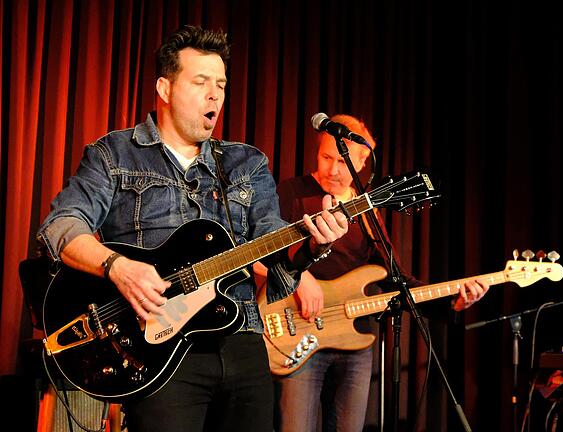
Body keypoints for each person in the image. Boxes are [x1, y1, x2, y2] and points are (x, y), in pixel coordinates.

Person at [35, 25, 349, 432]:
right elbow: (60, 224)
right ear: (164, 88)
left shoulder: (246, 163)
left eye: (220, 83)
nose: (215, 94)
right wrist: (118, 267)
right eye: (201, 82)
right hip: (155, 350)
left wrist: (311, 245)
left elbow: (276, 259)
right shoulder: (114, 153)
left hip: (242, 341)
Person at [255, 114, 490, 432]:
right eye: (326, 157)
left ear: (363, 162)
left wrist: (452, 302)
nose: (334, 170)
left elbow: (396, 279)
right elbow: (253, 254)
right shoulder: (292, 193)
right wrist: (299, 277)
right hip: (298, 332)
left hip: (355, 341)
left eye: (343, 161)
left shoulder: (367, 212)